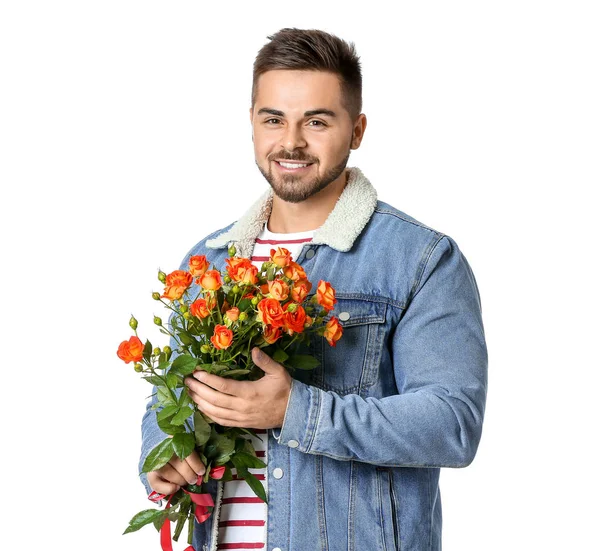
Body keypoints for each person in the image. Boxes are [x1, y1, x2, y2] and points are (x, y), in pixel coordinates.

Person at [139, 27, 488, 551]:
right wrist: (165, 449)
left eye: (317, 121)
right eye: (273, 119)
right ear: (252, 125)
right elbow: (167, 396)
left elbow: (452, 423)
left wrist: (294, 411)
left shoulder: (421, 260)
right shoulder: (208, 261)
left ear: (357, 129)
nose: (291, 142)